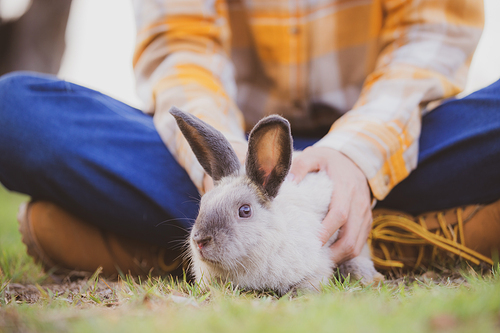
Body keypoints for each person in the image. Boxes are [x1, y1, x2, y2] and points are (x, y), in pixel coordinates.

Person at [0, 0, 498, 278]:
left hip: (383, 143)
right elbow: (181, 44)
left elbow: (433, 33)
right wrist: (228, 170)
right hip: (242, 168)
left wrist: (357, 153)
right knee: (15, 110)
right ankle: (381, 241)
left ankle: (332, 240)